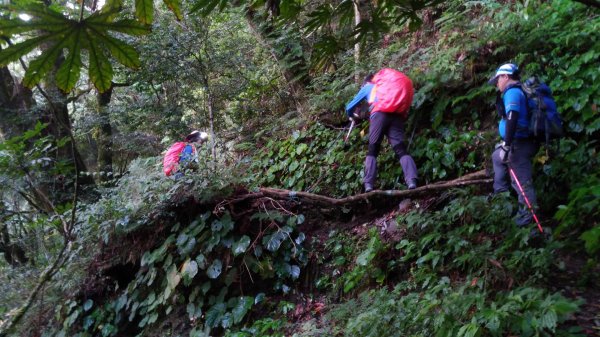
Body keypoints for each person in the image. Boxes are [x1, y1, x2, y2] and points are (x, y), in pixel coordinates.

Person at [345, 69, 418, 192]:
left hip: (380, 114)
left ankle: (368, 184)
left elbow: (349, 107)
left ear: (367, 82)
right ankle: (411, 180)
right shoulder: (385, 87)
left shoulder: (368, 87)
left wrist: (351, 115)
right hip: (397, 114)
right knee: (400, 148)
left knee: (373, 148)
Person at [488, 63, 539, 227]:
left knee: (522, 183)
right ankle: (501, 197)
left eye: (497, 79)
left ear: (505, 76)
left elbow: (512, 117)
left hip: (520, 144)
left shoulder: (513, 92)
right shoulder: (516, 92)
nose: (497, 83)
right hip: (518, 142)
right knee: (497, 157)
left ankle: (528, 220)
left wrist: (507, 146)